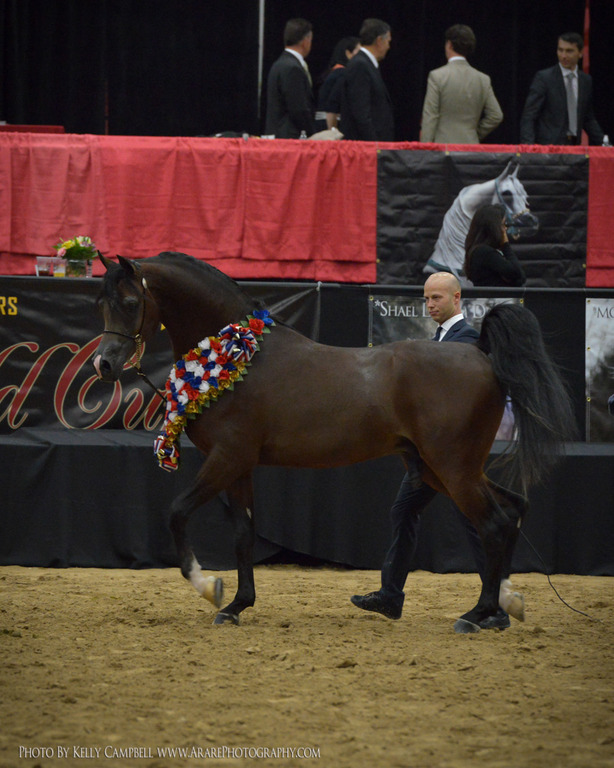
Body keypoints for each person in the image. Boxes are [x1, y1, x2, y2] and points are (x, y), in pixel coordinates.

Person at [351, 272, 519, 630]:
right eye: (427, 299)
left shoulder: (467, 342)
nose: (430, 305)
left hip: (449, 451)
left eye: (437, 298)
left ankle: (498, 598)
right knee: (404, 511)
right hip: (427, 455)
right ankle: (391, 595)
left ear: (457, 299)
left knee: (473, 519)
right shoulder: (442, 339)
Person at [420, 24, 503, 144]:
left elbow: (430, 117)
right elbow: (496, 115)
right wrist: (474, 134)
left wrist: (425, 148)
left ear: (449, 44)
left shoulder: (437, 76)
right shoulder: (483, 79)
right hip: (471, 147)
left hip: (443, 149)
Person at [519, 32, 604, 145]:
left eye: (569, 51)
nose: (563, 56)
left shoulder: (585, 80)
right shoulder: (544, 78)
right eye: (560, 50)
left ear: (580, 53)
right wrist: (528, 147)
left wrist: (604, 143)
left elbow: (588, 118)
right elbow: (529, 116)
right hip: (549, 148)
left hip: (574, 145)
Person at [339, 18, 394, 141]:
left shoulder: (367, 64)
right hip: (365, 148)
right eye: (388, 42)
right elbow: (361, 113)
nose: (388, 47)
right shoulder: (360, 65)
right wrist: (374, 145)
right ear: (379, 40)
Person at [265, 18, 316, 139]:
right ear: (305, 41)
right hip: (289, 137)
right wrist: (313, 134)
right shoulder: (293, 68)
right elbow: (298, 109)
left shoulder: (280, 63)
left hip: (278, 134)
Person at [464, 204, 526, 286]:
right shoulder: (484, 252)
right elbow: (516, 273)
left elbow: (521, 277)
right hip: (494, 298)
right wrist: (505, 245)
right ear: (494, 227)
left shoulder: (484, 251)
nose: (505, 229)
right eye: (503, 225)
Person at [314, 37, 360, 132]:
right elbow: (332, 105)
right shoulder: (342, 74)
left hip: (321, 125)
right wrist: (333, 130)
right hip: (331, 125)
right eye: (359, 52)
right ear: (348, 53)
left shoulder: (331, 73)